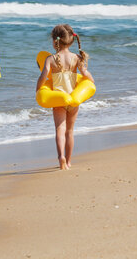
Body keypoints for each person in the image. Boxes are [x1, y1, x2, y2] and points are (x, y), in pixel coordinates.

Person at [36, 24, 94, 170]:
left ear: (54, 41)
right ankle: (68, 161)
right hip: (73, 99)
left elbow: (43, 76)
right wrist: (91, 81)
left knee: (59, 130)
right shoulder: (76, 58)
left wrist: (38, 89)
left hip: (58, 99)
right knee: (70, 131)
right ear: (71, 40)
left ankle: (60, 156)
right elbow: (86, 74)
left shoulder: (50, 59)